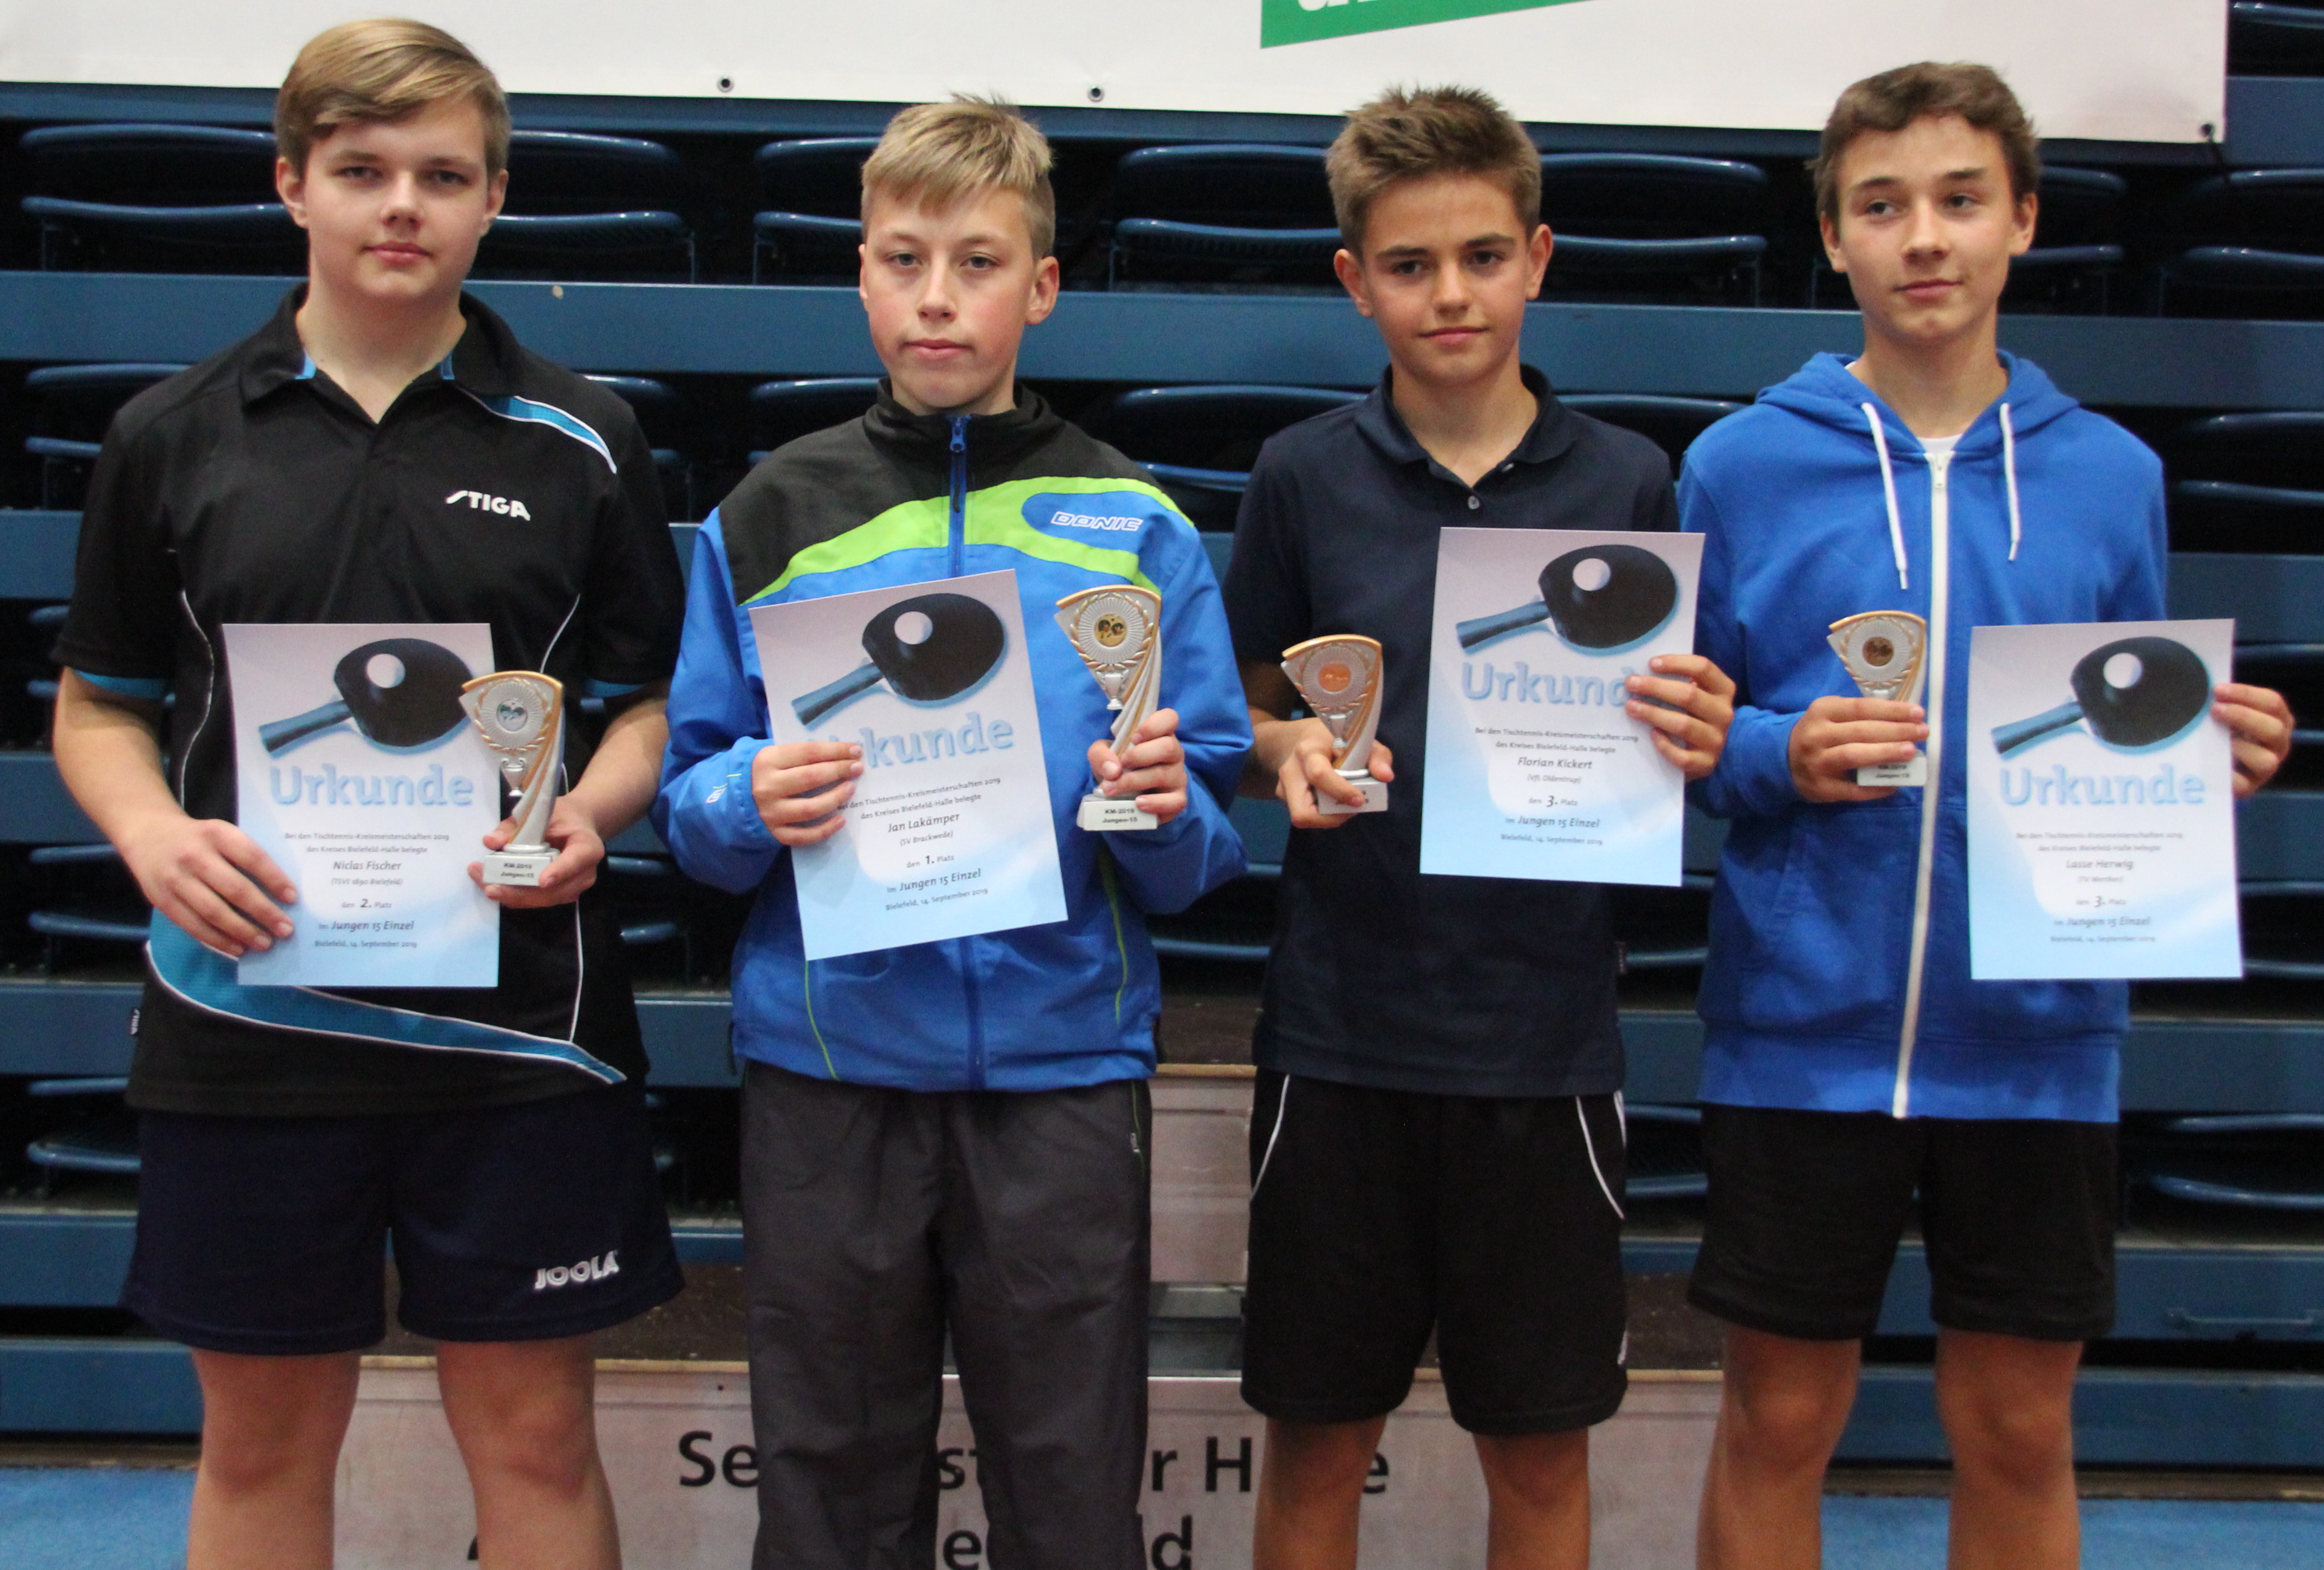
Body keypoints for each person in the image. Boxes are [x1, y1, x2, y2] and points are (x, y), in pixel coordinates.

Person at [49, 20, 686, 1569]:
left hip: (520, 1028)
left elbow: (647, 708)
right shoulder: (169, 437)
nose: (403, 204)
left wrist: (594, 812)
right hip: (247, 1019)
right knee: (263, 1445)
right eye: (362, 170)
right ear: (293, 184)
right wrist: (148, 831)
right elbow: (99, 705)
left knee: (534, 1440)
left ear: (495, 198)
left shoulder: (587, 440)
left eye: (443, 175)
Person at [1680, 62, 2296, 1570]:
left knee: (2019, 1425)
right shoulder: (1739, 466)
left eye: (1961, 200)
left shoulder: (2113, 477)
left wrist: (2205, 759)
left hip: (2038, 1037)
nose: (1925, 238)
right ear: (1834, 237)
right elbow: (1679, 737)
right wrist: (1773, 751)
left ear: (2022, 219)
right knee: (1777, 1417)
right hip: (1800, 1029)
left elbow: (2129, 718)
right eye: (1883, 206)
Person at [653, 97, 1251, 1570]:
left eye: (977, 263)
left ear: (1039, 287)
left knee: (1072, 1494)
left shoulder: (1138, 527)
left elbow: (1202, 851)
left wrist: (1162, 805)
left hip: (1061, 1072)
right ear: (860, 275)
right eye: (905, 259)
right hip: (832, 1069)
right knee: (830, 1494)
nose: (937, 297)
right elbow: (690, 808)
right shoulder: (769, 515)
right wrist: (746, 799)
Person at [1221, 86, 1738, 1570]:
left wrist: (1699, 728)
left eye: (1483, 256)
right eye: (1410, 263)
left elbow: (1676, 734)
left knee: (1541, 1451)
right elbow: (1237, 716)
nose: (1450, 292)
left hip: (1544, 1046)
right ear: (1354, 279)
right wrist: (1284, 752)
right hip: (1340, 1039)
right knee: (1317, 1446)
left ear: (1538, 259)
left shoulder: (1630, 481)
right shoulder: (1302, 475)